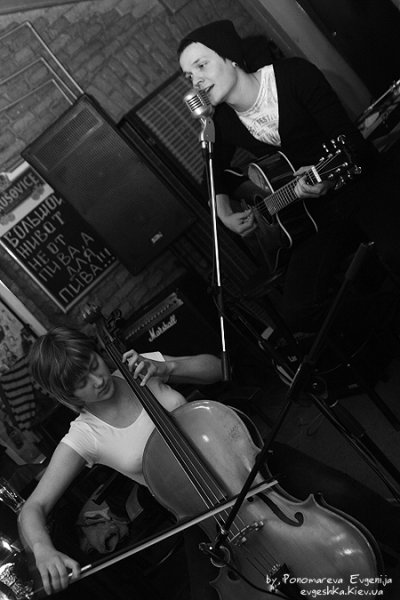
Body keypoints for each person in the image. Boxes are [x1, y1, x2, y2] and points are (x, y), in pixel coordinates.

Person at [177, 20, 400, 337]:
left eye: (201, 66)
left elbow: (353, 145)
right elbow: (212, 175)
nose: (196, 81)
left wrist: (328, 179)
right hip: (317, 217)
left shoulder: (294, 75)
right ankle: (388, 319)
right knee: (296, 313)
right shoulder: (222, 122)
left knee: (394, 250)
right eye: (189, 76)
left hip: (361, 184)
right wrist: (224, 213)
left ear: (230, 57)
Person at [18, 326, 222, 596]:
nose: (98, 380)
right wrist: (42, 549)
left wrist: (168, 367)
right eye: (82, 382)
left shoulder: (137, 368)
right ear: (68, 394)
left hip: (234, 460)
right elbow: (33, 508)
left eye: (94, 364)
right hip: (197, 514)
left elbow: (218, 368)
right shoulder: (85, 435)